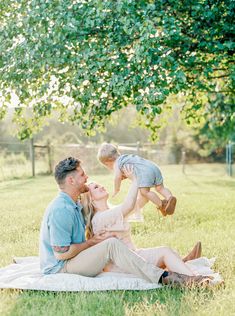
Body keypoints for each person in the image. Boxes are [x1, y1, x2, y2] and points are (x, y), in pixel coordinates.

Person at [39, 156, 209, 287]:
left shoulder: (74, 204)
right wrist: (92, 242)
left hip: (75, 258)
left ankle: (185, 271)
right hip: (61, 267)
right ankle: (164, 277)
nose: (87, 176)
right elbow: (61, 253)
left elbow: (128, 207)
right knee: (111, 244)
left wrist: (145, 190)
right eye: (83, 175)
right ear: (71, 181)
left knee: (155, 250)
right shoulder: (62, 209)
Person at [81, 165, 211, 285]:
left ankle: (184, 263)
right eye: (96, 187)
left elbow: (139, 202)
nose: (101, 186)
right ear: (91, 199)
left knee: (168, 252)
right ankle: (195, 280)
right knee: (165, 252)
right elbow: (128, 205)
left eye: (99, 184)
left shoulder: (110, 211)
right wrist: (135, 179)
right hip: (122, 266)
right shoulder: (99, 219)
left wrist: (145, 183)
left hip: (131, 258)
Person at [97, 143, 176, 218]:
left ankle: (162, 205)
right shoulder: (125, 157)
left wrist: (116, 189)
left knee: (145, 192)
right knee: (160, 188)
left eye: (106, 165)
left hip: (145, 172)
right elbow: (134, 169)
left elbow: (117, 177)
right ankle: (170, 197)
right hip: (153, 167)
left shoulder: (116, 163)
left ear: (108, 162)